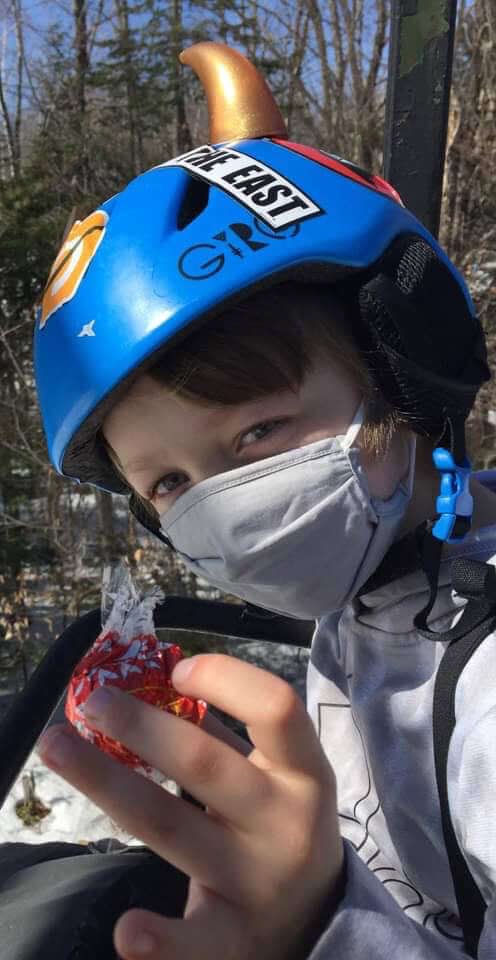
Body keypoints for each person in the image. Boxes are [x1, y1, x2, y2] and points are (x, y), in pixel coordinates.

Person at [33, 40, 496, 960]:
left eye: (255, 434)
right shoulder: (363, 597)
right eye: (168, 483)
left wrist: (314, 923)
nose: (225, 503)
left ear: (407, 366)